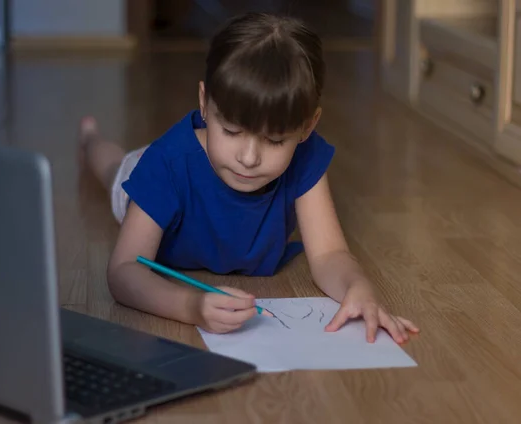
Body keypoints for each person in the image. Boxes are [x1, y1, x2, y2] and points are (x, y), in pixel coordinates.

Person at [78, 12, 420, 342]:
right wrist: (190, 306)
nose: (249, 157)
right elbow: (123, 271)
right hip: (154, 168)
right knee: (114, 169)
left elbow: (329, 256)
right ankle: (90, 138)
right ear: (204, 102)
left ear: (308, 126)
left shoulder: (307, 156)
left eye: (274, 140)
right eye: (230, 130)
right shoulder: (165, 165)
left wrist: (359, 288)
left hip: (186, 160)